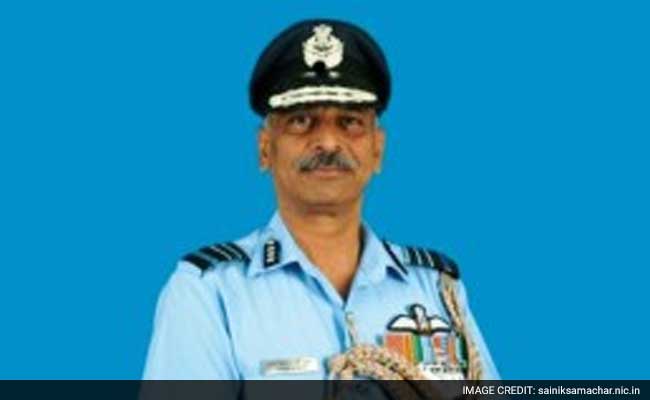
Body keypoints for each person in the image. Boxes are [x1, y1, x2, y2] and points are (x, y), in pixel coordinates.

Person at [143, 19, 499, 381]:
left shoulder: (437, 290)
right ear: (265, 149)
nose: (328, 142)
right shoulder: (209, 293)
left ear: (377, 149)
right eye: (301, 121)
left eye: (350, 122)